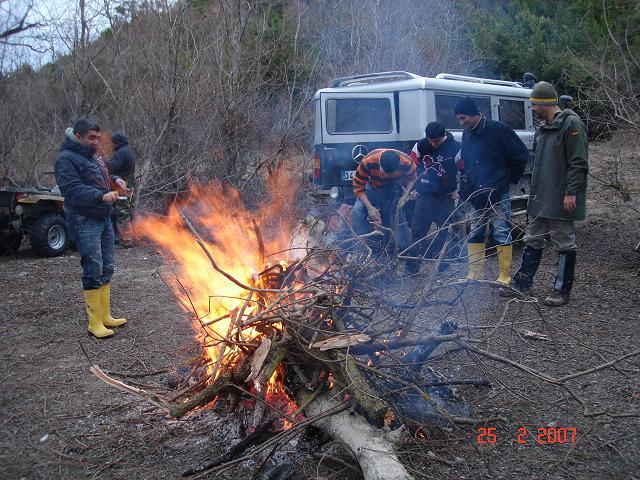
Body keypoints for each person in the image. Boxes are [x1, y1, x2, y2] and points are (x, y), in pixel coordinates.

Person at [501, 82, 588, 306]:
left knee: (564, 242)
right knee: (532, 238)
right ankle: (521, 285)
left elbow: (578, 163)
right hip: (541, 196)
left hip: (561, 196)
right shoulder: (543, 128)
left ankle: (561, 291)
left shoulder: (571, 124)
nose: (531, 109)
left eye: (533, 104)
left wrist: (571, 192)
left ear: (545, 103)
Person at [54, 119, 128, 338]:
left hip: (103, 217)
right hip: (84, 219)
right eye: (91, 138)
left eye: (98, 137)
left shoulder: (93, 156)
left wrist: (116, 181)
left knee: (107, 266)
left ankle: (105, 316)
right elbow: (71, 189)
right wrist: (100, 195)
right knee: (93, 267)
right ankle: (94, 323)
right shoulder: (65, 159)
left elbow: (104, 175)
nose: (96, 142)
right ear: (78, 136)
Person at [455, 97, 528, 284]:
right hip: (476, 191)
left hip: (498, 191)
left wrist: (507, 180)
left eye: (463, 118)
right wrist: (467, 183)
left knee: (501, 231)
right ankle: (475, 273)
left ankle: (504, 276)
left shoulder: (498, 130)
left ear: (474, 115)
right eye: (459, 119)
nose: (461, 123)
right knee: (475, 231)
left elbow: (520, 155)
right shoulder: (467, 134)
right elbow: (468, 162)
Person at [405, 122, 461, 275]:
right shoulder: (421, 146)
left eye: (436, 141)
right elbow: (412, 167)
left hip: (445, 197)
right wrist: (415, 187)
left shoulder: (455, 148)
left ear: (444, 136)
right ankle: (411, 269)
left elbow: (465, 170)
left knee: (445, 232)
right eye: (430, 141)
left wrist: (458, 190)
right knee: (417, 232)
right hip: (424, 196)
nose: (432, 144)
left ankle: (442, 268)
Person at [351, 149, 416, 254]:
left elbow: (412, 178)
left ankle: (389, 247)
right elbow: (358, 186)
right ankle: (360, 248)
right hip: (372, 186)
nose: (386, 176)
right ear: (379, 161)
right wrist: (369, 207)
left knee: (391, 214)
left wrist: (405, 196)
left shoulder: (406, 163)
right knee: (357, 211)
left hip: (392, 188)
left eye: (390, 174)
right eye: (384, 172)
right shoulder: (368, 161)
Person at [105, 132, 136, 246]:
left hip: (123, 185)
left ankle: (127, 240)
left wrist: (103, 162)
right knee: (130, 210)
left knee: (122, 212)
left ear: (117, 143)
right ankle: (133, 236)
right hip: (131, 184)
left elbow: (113, 166)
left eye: (113, 143)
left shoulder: (121, 153)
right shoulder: (128, 150)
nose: (112, 145)